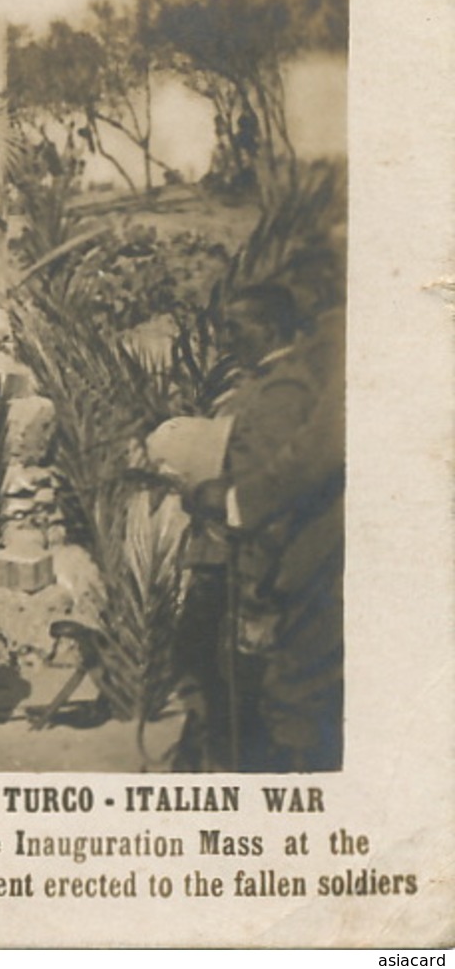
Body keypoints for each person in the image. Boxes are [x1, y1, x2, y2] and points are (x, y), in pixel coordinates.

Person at [188, 283, 342, 773]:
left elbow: (277, 501)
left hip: (263, 571)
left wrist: (258, 590)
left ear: (269, 327)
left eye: (236, 327)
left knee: (260, 705)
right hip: (257, 567)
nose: (228, 338)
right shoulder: (270, 382)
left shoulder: (284, 390)